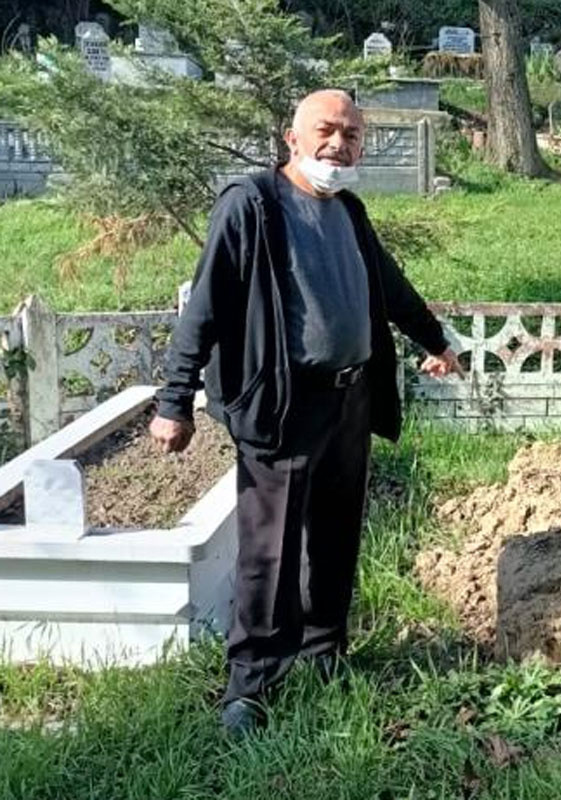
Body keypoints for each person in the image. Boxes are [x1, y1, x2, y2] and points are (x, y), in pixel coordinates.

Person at [149, 89, 462, 737]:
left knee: (336, 536)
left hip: (350, 400)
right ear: (291, 138)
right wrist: (174, 401)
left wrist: (435, 341)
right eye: (326, 131)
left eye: (351, 135)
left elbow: (390, 285)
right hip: (284, 404)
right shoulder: (254, 205)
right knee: (270, 549)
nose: (338, 144)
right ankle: (250, 685)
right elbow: (203, 309)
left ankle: (323, 655)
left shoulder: (348, 210)